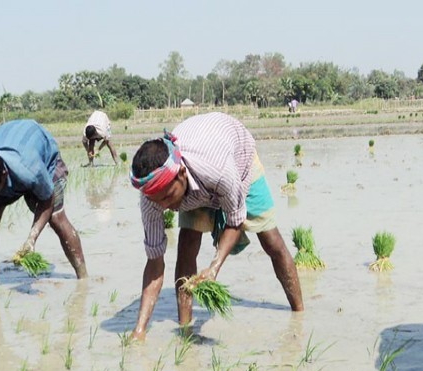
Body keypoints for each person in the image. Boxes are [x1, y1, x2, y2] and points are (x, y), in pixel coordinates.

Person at [128, 112, 304, 340]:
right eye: (158, 200)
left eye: (168, 197)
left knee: (271, 241)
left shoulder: (219, 170)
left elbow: (235, 220)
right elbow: (155, 262)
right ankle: (185, 328)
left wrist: (214, 267)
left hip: (239, 161)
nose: (165, 206)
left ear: (181, 173)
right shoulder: (153, 197)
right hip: (197, 179)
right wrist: (139, 330)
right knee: (187, 243)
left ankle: (299, 314)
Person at [0, 119, 87, 295]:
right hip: (8, 151)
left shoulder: (31, 169)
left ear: (4, 176)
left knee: (56, 218)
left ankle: (83, 279)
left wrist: (32, 238)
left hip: (43, 156)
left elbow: (48, 199)